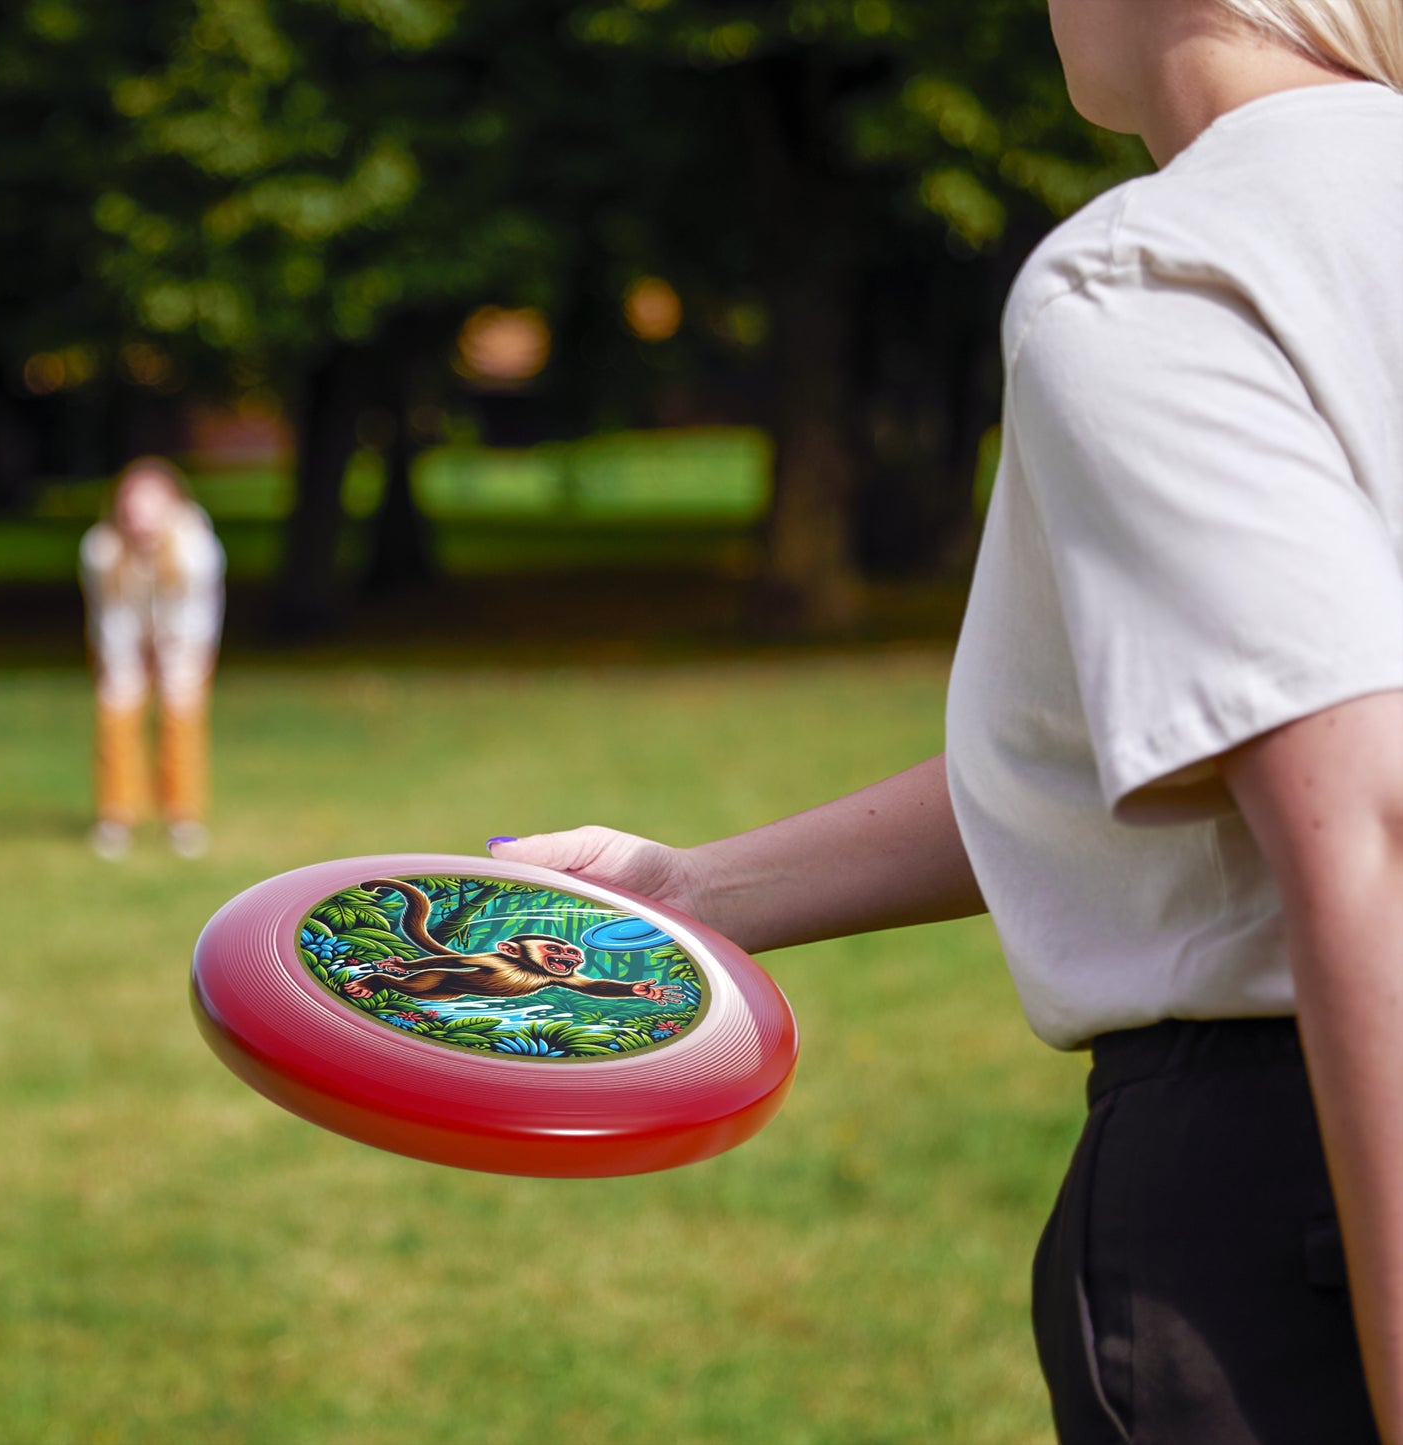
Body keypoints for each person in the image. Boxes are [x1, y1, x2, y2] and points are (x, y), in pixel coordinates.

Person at [486, 2, 1403, 1440]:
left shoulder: (1161, 269)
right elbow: (1173, 741)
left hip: (1299, 1193)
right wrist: (695, 890)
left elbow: (1366, 822)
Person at [79, 457, 226, 860]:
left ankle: (183, 818)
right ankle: (116, 816)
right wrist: (126, 665)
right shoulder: (101, 549)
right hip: (123, 640)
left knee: (181, 717)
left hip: (184, 641)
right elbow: (110, 616)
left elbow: (197, 616)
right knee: (116, 713)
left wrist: (173, 659)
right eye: (132, 506)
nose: (140, 517)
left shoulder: (197, 548)